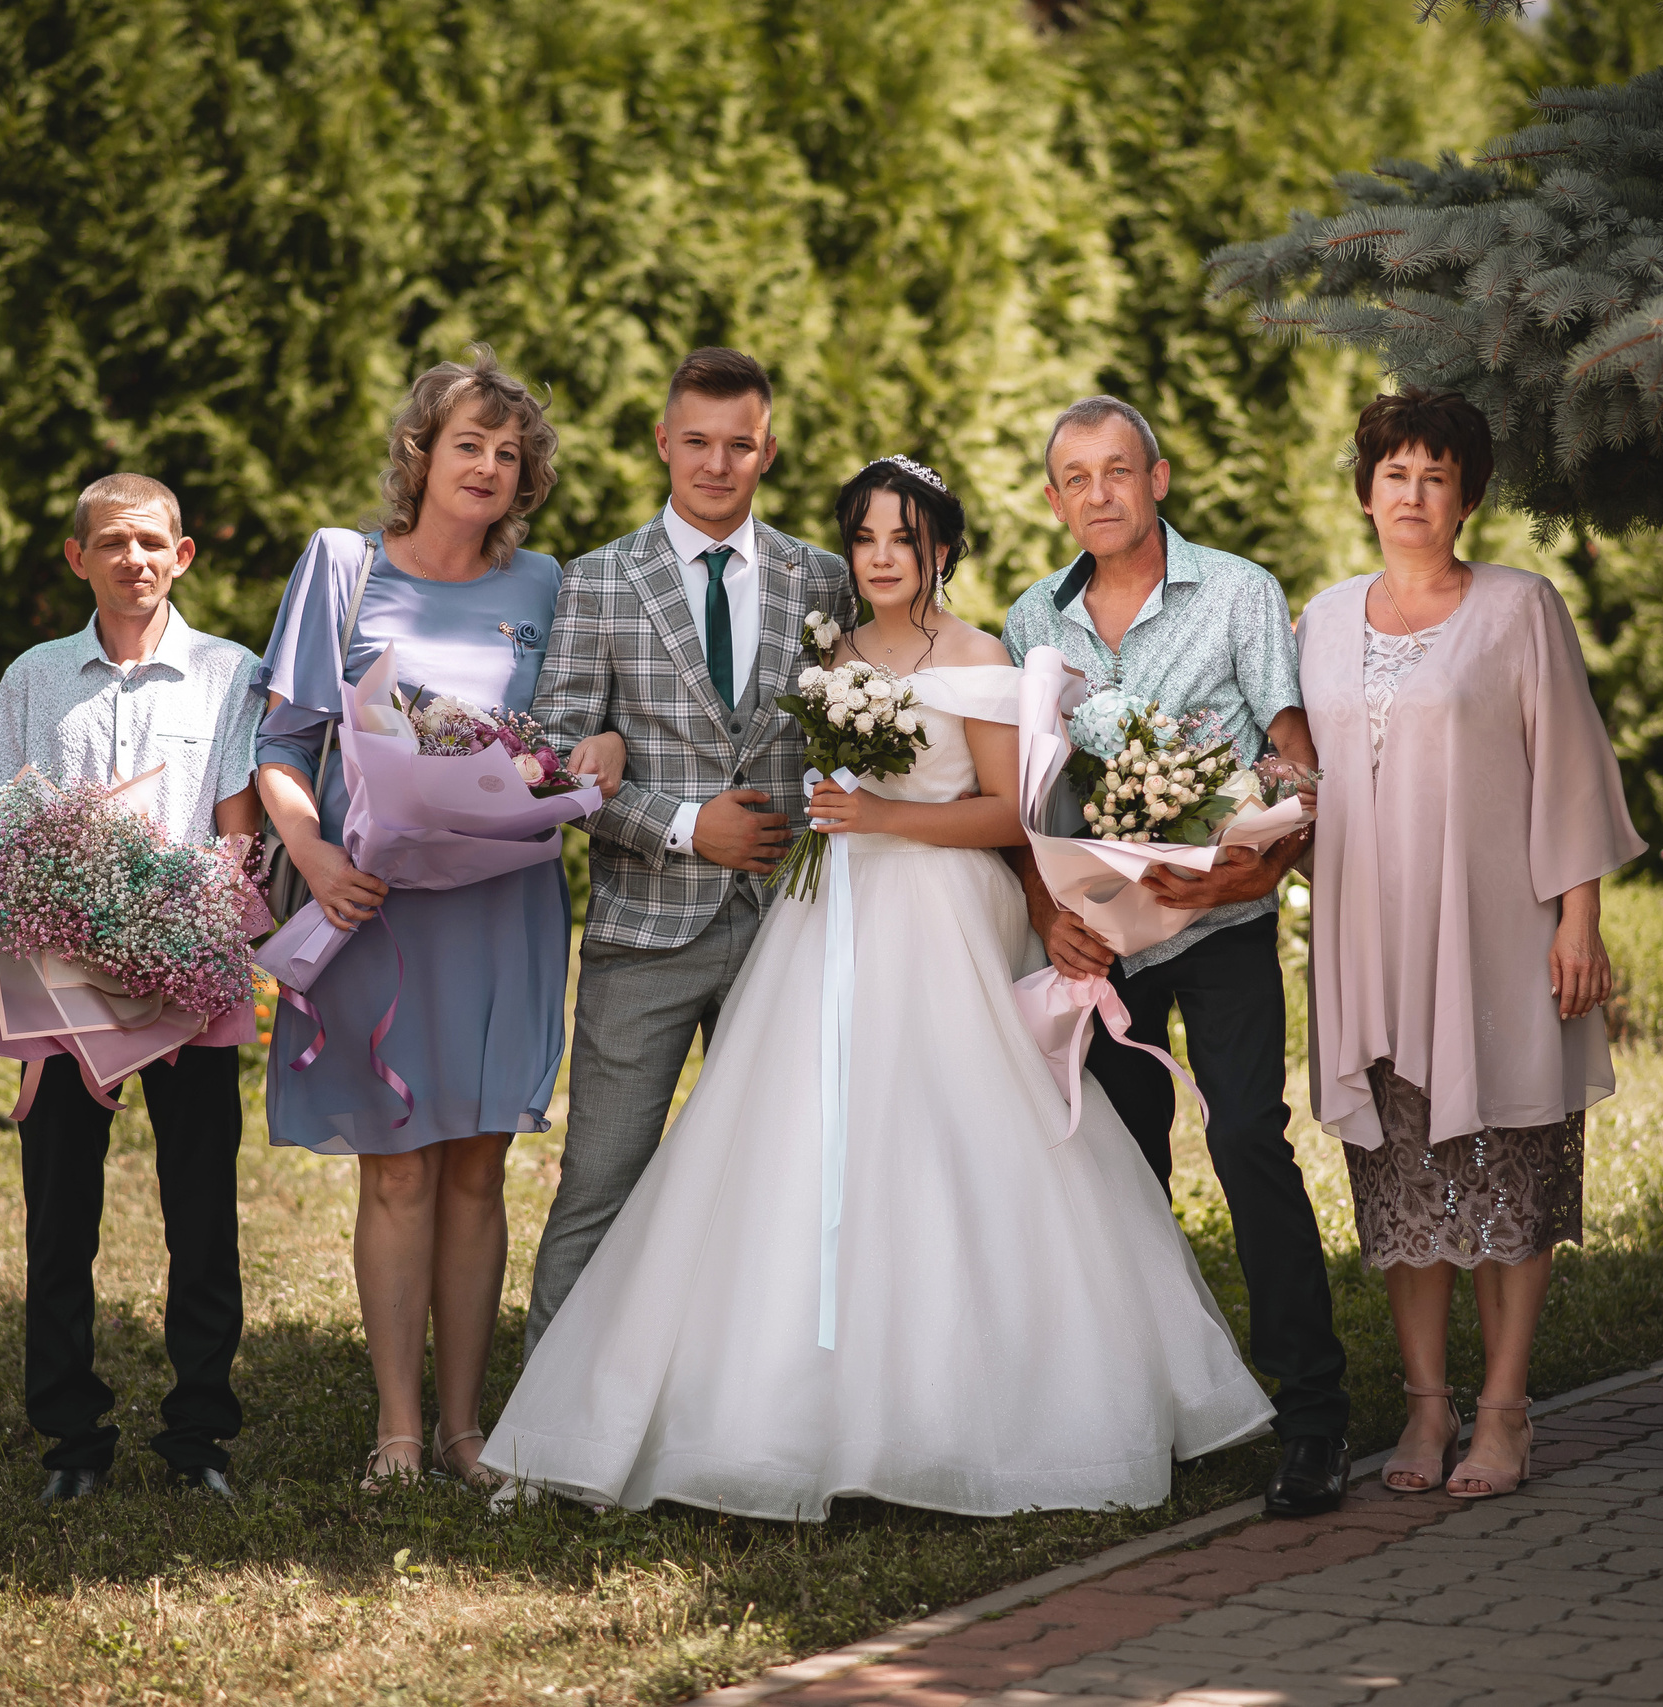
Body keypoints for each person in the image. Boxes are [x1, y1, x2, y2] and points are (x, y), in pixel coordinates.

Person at [480, 457, 1273, 1516]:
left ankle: (975, 1412)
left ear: (941, 547)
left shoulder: (983, 654)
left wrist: (884, 819)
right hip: (825, 914)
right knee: (794, 1145)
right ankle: (775, 1410)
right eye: (865, 539)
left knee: (952, 1141)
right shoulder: (831, 652)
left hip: (941, 911)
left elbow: (1008, 812)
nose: (884, 558)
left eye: (905, 539)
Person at [999, 396, 1353, 1518]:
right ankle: (1151, 1412)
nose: (1098, 493)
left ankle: (1312, 1418)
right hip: (1106, 944)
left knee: (1248, 1138)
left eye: (1118, 471)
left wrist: (1265, 866)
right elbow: (1023, 806)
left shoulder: (1240, 592)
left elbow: (1292, 759)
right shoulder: (1028, 625)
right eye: (1075, 478)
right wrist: (1043, 911)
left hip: (1225, 927)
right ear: (1053, 501)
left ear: (1158, 478)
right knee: (1123, 1173)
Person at [1295, 388, 1644, 1499]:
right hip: (1370, 940)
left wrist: (1578, 920)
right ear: (1364, 493)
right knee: (1401, 1183)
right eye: (1394, 473)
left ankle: (1502, 1412)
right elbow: (1301, 776)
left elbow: (1572, 766)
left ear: (1468, 498)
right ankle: (1423, 1408)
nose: (1412, 494)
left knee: (1505, 1170)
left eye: (1434, 476)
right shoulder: (1320, 618)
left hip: (1495, 935)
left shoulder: (1517, 609)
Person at [254, 349, 576, 1491]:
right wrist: (315, 854)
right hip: (373, 909)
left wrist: (580, 768)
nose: (488, 466)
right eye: (468, 445)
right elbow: (283, 747)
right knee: (395, 1168)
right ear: (421, 457)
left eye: (509, 451)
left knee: (479, 1167)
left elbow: (571, 738)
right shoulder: (343, 566)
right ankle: (395, 1427)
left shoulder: (546, 585)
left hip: (501, 906)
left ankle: (463, 1429)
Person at [518, 347, 852, 1361]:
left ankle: (769, 1396)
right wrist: (681, 823)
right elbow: (557, 764)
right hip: (644, 930)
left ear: (768, 449)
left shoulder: (819, 578)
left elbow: (850, 742)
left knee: (789, 1179)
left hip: (786, 932)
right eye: (696, 442)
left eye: (738, 444)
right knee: (602, 1180)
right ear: (663, 441)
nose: (716, 463)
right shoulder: (596, 581)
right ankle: (549, 1416)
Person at [0, 472, 265, 1506]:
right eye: (112, 542)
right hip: (58, 983)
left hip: (191, 971)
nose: (134, 558)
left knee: (201, 1208)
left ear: (184, 556)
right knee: (59, 1210)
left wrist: (186, 930)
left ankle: (199, 1439)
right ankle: (72, 1442)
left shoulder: (231, 674)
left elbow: (237, 829)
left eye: (152, 542)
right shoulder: (38, 678)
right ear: (78, 557)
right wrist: (11, 895)